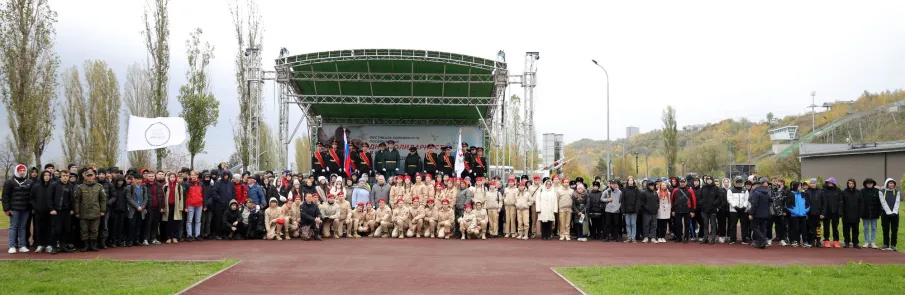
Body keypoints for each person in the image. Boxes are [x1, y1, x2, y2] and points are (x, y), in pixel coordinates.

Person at [73, 169, 107, 252]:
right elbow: (76, 201)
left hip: (95, 212)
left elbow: (103, 200)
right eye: (88, 176)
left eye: (91, 175)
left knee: (94, 230)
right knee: (84, 230)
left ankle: (93, 245)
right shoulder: (80, 187)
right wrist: (77, 212)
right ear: (85, 176)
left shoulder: (99, 187)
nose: (89, 177)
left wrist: (103, 210)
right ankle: (85, 245)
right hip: (84, 212)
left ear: (94, 176)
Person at [29, 170, 58, 253]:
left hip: (50, 212)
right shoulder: (36, 186)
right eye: (45, 175)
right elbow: (31, 199)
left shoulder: (53, 186)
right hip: (39, 212)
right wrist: (36, 207)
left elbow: (55, 198)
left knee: (50, 228)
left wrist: (53, 208)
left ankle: (48, 245)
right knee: (39, 229)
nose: (47, 176)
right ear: (42, 176)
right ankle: (39, 245)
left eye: (48, 175)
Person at [748, 177, 772, 249]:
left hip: (757, 214)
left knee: (753, 226)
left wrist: (751, 213)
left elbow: (754, 204)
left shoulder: (756, 193)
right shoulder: (766, 193)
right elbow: (770, 202)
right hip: (765, 214)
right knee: (763, 228)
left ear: (755, 186)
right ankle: (762, 244)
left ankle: (763, 240)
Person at [670, 177, 696, 243]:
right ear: (679, 182)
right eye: (681, 182)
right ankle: (679, 237)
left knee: (687, 224)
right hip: (677, 209)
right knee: (678, 224)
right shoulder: (675, 190)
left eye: (684, 182)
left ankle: (686, 237)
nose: (682, 183)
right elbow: (672, 201)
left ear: (686, 182)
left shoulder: (690, 190)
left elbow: (693, 201)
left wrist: (693, 211)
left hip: (687, 209)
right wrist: (672, 210)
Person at [107, 175, 130, 248]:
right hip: (114, 210)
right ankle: (113, 241)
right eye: (119, 181)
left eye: (122, 181)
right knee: (114, 227)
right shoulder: (113, 188)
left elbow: (127, 200)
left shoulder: (125, 189)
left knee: (121, 226)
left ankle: (119, 240)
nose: (120, 182)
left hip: (122, 210)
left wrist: (126, 210)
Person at [162, 173, 185, 244]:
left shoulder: (179, 186)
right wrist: (163, 207)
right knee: (168, 222)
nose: (172, 178)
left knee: (176, 222)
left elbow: (181, 197)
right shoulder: (165, 186)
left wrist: (181, 207)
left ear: (175, 178)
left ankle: (175, 237)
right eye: (171, 177)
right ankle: (169, 237)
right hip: (168, 206)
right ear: (169, 178)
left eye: (173, 177)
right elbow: (163, 197)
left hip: (176, 206)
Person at [785, 181, 809, 247]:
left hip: (803, 215)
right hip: (794, 215)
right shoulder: (791, 194)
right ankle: (795, 241)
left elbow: (808, 204)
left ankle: (805, 241)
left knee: (804, 228)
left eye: (800, 186)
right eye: (799, 186)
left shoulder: (804, 194)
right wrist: (795, 212)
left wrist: (805, 211)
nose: (800, 187)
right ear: (795, 186)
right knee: (795, 228)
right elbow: (787, 205)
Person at [839, 179, 862, 248]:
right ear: (847, 184)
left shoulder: (858, 192)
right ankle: (847, 242)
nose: (851, 185)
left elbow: (861, 203)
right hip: (846, 214)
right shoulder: (844, 192)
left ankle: (855, 243)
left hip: (856, 214)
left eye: (852, 183)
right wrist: (841, 212)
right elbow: (841, 203)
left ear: (854, 184)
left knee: (855, 229)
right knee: (846, 229)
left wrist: (860, 213)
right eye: (849, 183)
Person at [127, 173, 148, 247]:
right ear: (134, 179)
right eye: (137, 179)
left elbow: (146, 198)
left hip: (141, 209)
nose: (138, 181)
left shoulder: (144, 188)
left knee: (138, 225)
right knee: (132, 225)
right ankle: (130, 240)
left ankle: (137, 239)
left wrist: (142, 206)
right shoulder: (130, 187)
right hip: (133, 209)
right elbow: (129, 199)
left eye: (140, 179)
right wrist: (137, 206)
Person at [821, 177, 843, 248]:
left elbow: (840, 201)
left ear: (834, 183)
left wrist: (839, 211)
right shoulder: (823, 190)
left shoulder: (838, 190)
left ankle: (836, 241)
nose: (829, 184)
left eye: (831, 183)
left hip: (835, 212)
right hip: (826, 212)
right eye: (828, 183)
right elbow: (822, 201)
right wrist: (823, 212)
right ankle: (826, 240)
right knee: (826, 227)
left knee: (835, 227)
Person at [726, 177, 749, 245]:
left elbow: (746, 199)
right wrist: (735, 207)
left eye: (740, 182)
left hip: (743, 210)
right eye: (737, 182)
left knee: (744, 225)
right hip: (733, 210)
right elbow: (729, 199)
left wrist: (744, 207)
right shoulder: (730, 190)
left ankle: (744, 239)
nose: (739, 183)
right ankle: (732, 238)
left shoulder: (745, 190)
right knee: (733, 225)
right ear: (735, 182)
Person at [860, 178, 882, 249]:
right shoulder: (862, 191)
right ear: (865, 184)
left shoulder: (877, 191)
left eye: (871, 183)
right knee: (866, 228)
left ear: (873, 184)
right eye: (868, 183)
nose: (869, 184)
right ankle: (866, 242)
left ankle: (873, 242)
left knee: (874, 228)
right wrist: (861, 212)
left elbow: (879, 203)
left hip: (874, 213)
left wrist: (879, 212)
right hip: (865, 213)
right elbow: (860, 203)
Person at [879, 178, 900, 251]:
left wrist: (894, 212)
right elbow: (883, 202)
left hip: (895, 214)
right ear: (887, 184)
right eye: (890, 183)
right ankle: (886, 244)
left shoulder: (897, 192)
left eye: (893, 183)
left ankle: (893, 245)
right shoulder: (882, 192)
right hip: (885, 213)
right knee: (885, 229)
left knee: (894, 229)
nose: (892, 184)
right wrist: (888, 212)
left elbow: (897, 202)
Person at [805, 179, 825, 248]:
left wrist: (822, 213)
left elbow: (824, 204)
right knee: (811, 228)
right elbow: (805, 203)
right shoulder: (807, 192)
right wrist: (806, 212)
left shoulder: (821, 192)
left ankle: (818, 241)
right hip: (810, 214)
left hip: (818, 214)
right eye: (811, 183)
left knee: (818, 228)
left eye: (814, 183)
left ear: (816, 184)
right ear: (809, 184)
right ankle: (812, 241)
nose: (812, 184)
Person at [185, 172, 205, 241]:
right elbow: (186, 196)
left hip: (199, 205)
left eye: (195, 175)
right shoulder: (187, 184)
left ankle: (197, 235)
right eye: (192, 175)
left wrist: (204, 204)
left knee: (198, 221)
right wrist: (186, 206)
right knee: (189, 221)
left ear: (197, 176)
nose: (193, 176)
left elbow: (203, 195)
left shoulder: (201, 184)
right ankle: (189, 235)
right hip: (190, 205)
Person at [621, 177, 641, 243]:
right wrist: (623, 210)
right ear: (627, 181)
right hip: (626, 210)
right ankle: (629, 237)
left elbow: (638, 200)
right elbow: (622, 201)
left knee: (633, 224)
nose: (630, 181)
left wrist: (636, 209)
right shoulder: (624, 190)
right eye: (629, 180)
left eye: (631, 180)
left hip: (634, 210)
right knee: (627, 224)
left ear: (633, 181)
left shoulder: (636, 189)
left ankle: (633, 238)